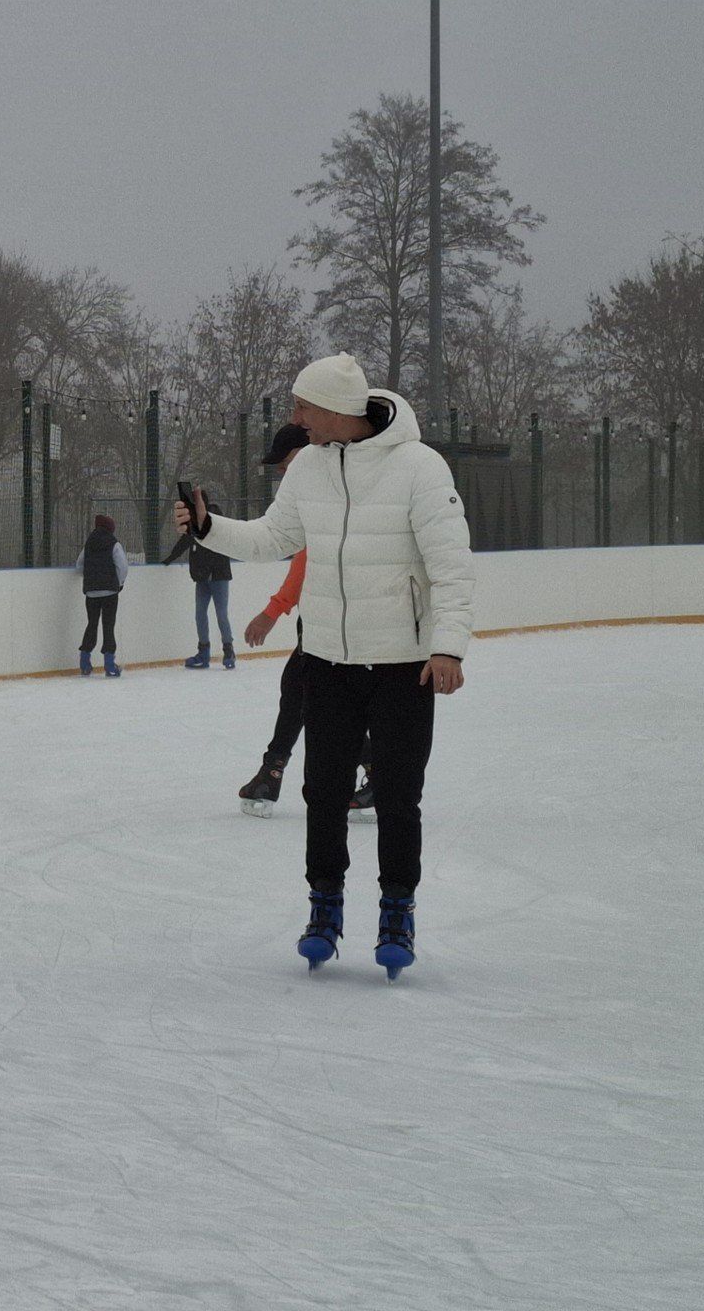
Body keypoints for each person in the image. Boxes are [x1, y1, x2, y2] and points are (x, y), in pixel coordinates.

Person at [174, 353, 473, 979]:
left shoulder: (419, 467)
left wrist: (448, 645)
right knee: (323, 792)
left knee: (397, 796)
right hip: (327, 660)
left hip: (403, 664)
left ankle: (397, 912)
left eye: (302, 407)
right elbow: (272, 539)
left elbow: (451, 563)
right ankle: (325, 907)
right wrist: (207, 527)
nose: (295, 419)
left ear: (336, 408)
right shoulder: (308, 466)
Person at [237, 424, 373, 819]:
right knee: (304, 696)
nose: (282, 473)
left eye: (285, 463)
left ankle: (273, 773)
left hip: (337, 618)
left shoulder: (329, 487)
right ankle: (273, 772)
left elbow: (308, 561)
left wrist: (272, 610)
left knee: (312, 700)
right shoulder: (317, 489)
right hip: (321, 617)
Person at [161, 497, 234, 668]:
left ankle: (229, 651)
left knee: (221, 614)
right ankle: (204, 652)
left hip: (218, 576)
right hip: (202, 578)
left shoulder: (215, 522)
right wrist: (169, 559)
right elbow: (184, 542)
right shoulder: (194, 523)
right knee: (200, 614)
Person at [73, 513, 130, 676]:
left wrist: (91, 579)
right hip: (110, 592)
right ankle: (110, 665)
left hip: (91, 593)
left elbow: (79, 566)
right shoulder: (114, 544)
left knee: (92, 624)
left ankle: (84, 663)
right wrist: (118, 584)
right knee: (108, 625)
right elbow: (122, 566)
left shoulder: (88, 544)